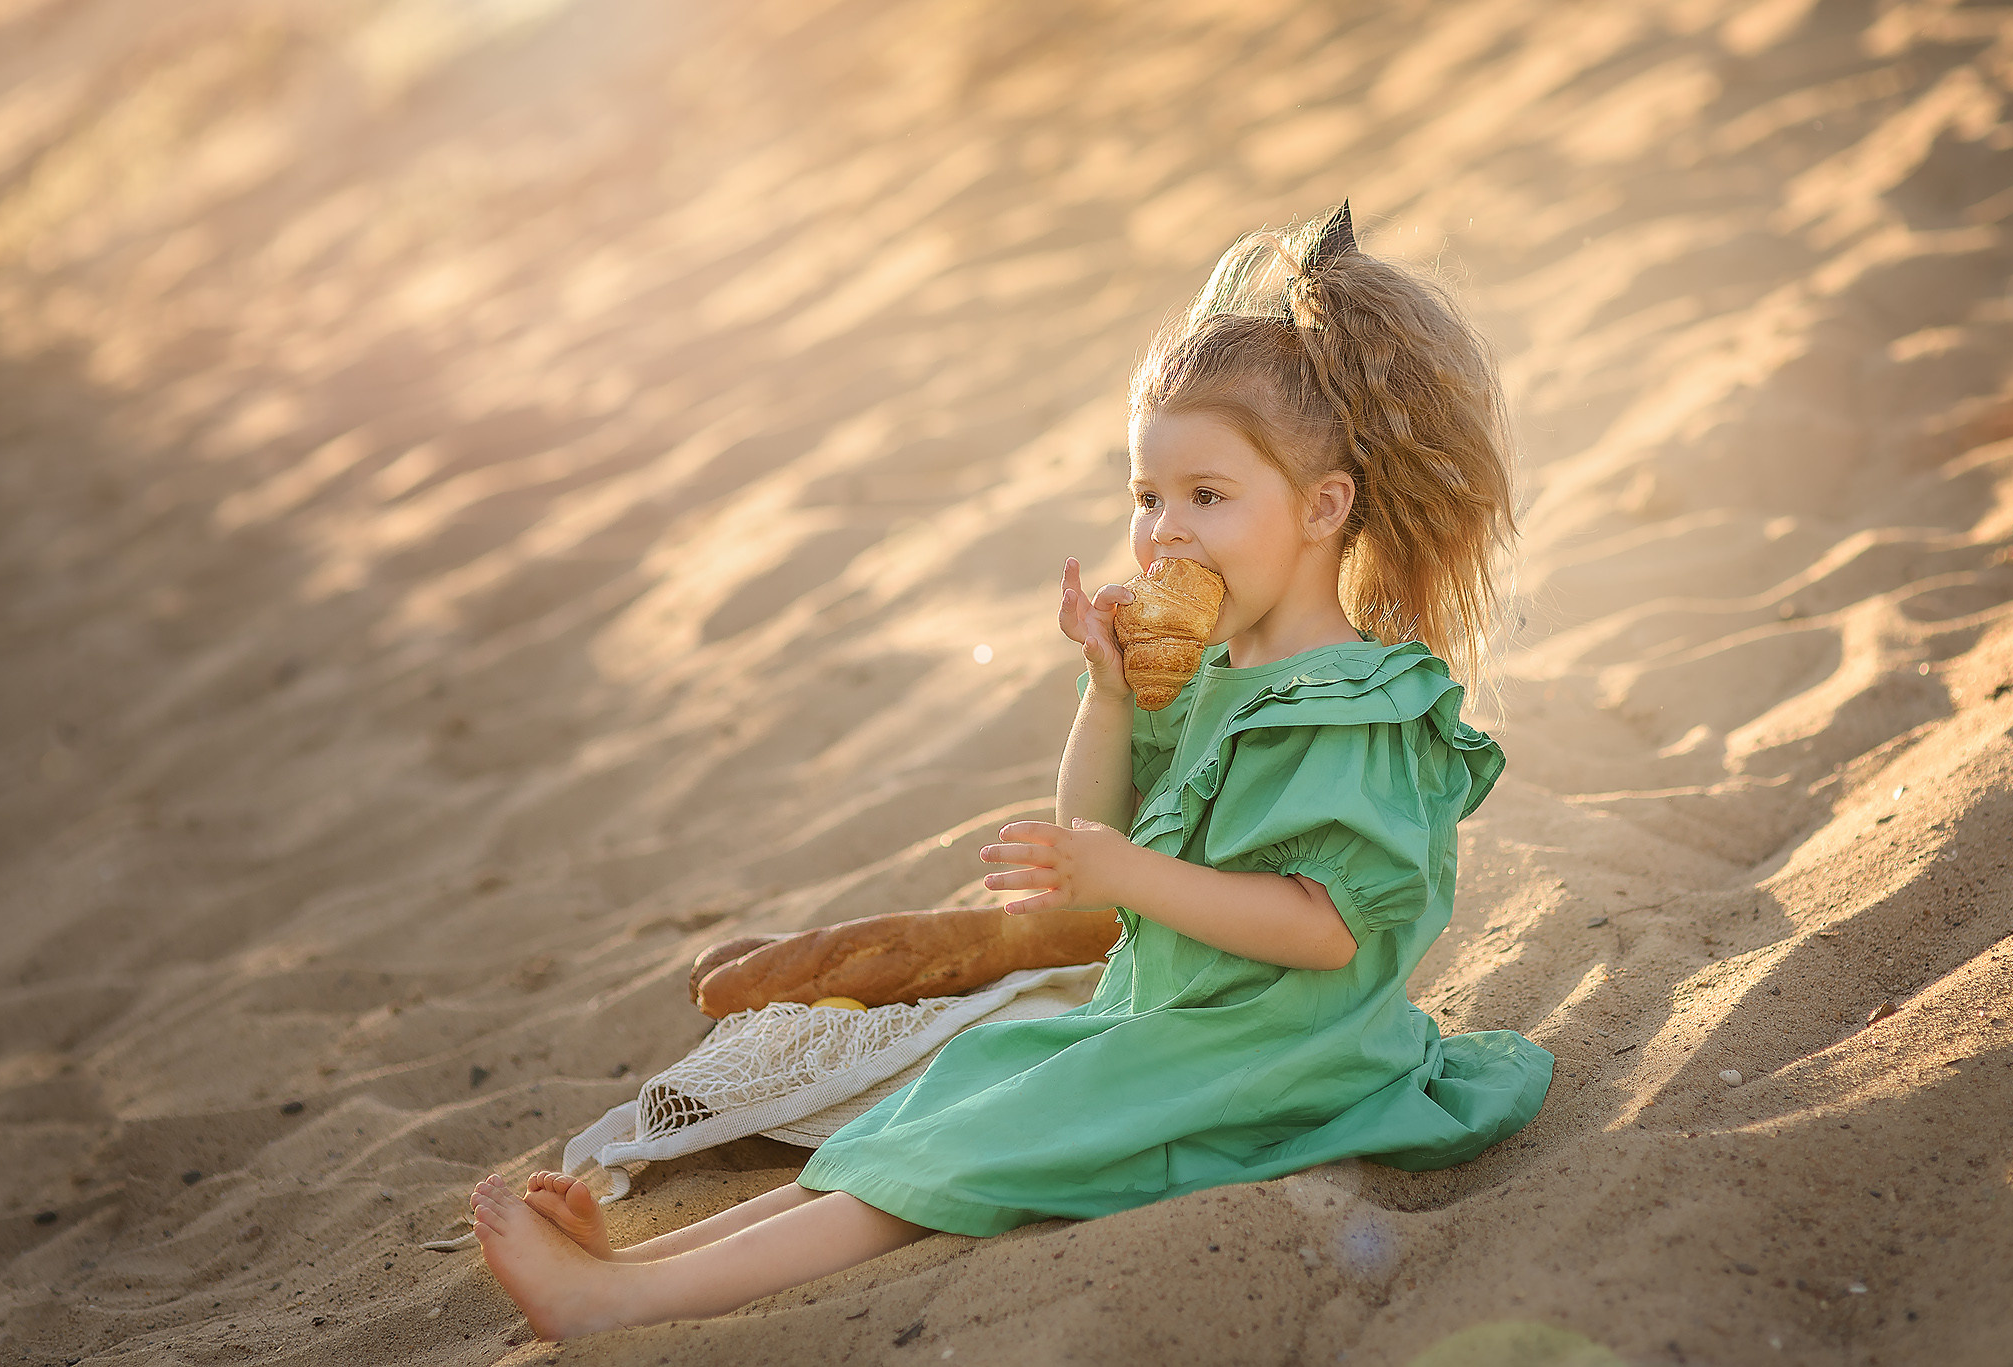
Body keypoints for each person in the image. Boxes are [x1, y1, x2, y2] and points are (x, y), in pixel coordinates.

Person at [465, 204, 1554, 1339]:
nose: (1164, 532)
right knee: (952, 1094)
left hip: (1274, 1056)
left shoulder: (1353, 705)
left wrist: (1128, 869)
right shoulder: (1214, 672)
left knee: (971, 1143)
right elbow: (1085, 853)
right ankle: (654, 1255)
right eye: (1146, 497)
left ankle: (623, 1301)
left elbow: (1321, 927)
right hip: (1169, 1023)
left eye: (1206, 496)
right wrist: (1105, 694)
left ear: (1323, 507)